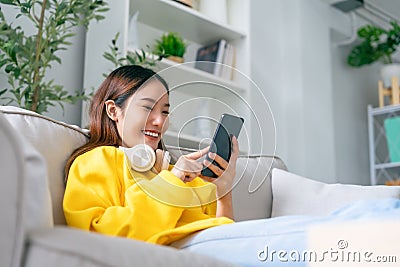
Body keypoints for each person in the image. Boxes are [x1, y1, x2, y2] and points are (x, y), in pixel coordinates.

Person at [63, 65, 239, 245]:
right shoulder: (97, 161)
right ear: (113, 111)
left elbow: (225, 239)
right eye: (148, 108)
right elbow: (99, 236)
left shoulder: (189, 177)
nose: (159, 121)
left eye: (165, 111)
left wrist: (223, 193)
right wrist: (171, 181)